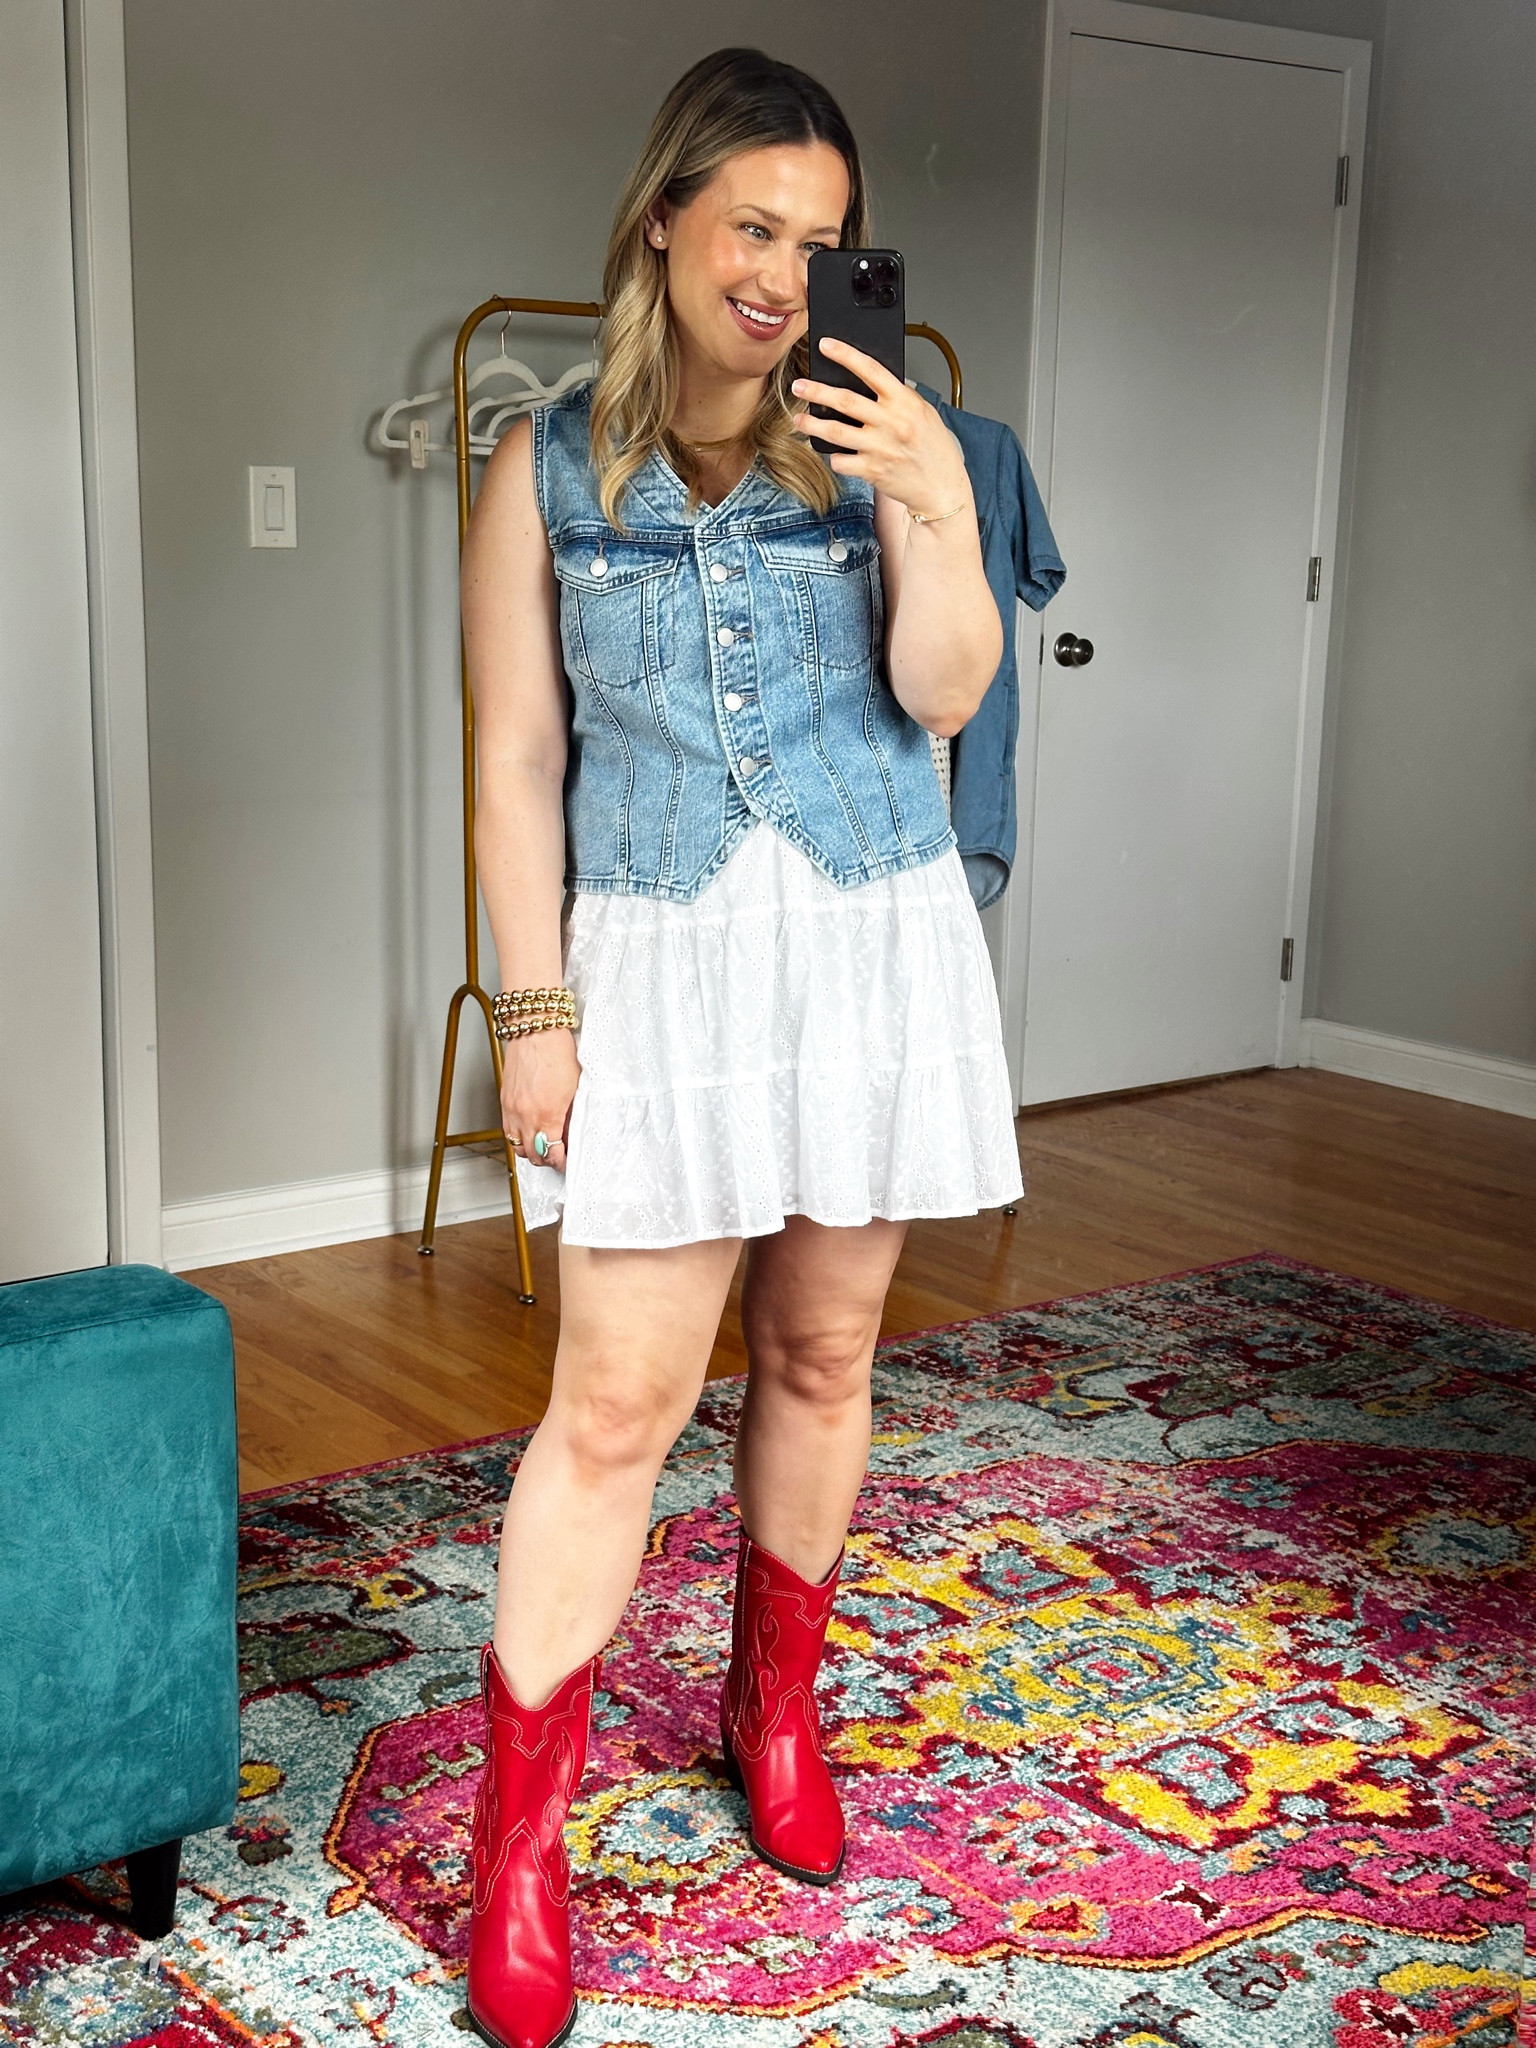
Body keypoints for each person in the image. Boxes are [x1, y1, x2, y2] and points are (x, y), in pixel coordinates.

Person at [458, 46, 1021, 2048]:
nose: (788, 274)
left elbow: (941, 697)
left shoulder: (887, 441)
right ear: (666, 224)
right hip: (661, 965)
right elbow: (519, 761)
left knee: (823, 1347)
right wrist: (532, 1009)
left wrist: (937, 511)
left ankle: (767, 1704)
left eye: (825, 240)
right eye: (756, 228)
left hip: (865, 939)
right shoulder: (541, 467)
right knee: (612, 1408)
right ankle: (520, 1843)